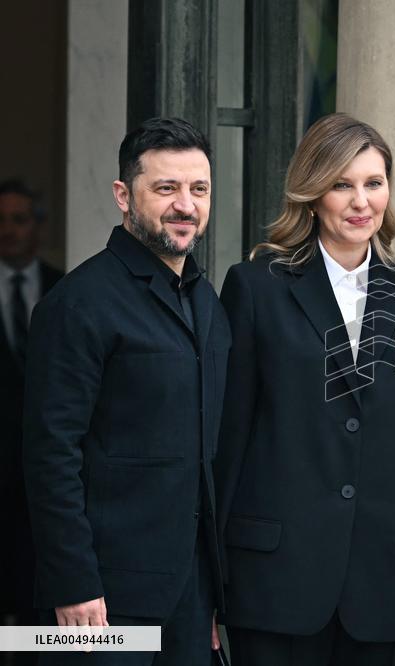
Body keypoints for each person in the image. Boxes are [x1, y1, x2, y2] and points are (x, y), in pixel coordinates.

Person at [214, 113, 395, 666]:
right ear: (312, 192)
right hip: (274, 581)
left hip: (386, 588)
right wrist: (209, 582)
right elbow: (229, 441)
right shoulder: (257, 288)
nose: (360, 201)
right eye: (341, 184)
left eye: (373, 183)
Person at [22, 118, 229, 664]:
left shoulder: (207, 301)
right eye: (166, 188)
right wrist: (72, 583)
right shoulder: (78, 304)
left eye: (198, 189)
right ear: (123, 195)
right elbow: (50, 454)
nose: (185, 204)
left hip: (189, 599)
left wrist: (213, 592)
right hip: (101, 600)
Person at [0, 179, 62, 664]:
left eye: (19, 219)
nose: (8, 231)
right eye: (1, 220)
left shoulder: (65, 291)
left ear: (38, 227)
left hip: (47, 480)